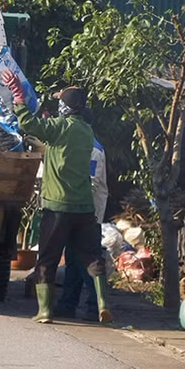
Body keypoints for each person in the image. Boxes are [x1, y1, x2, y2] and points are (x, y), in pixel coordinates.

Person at [2, 70, 112, 324]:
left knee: (47, 259)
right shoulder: (86, 131)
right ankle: (103, 304)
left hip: (57, 206)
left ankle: (44, 311)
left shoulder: (59, 128)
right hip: (84, 207)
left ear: (64, 106)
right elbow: (54, 141)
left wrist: (18, 96)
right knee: (91, 257)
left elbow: (29, 126)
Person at [54, 128, 109, 321]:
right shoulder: (80, 146)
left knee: (88, 260)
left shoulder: (93, 150)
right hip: (77, 212)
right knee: (72, 259)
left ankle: (95, 306)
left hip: (89, 215)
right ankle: (68, 304)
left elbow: (91, 184)